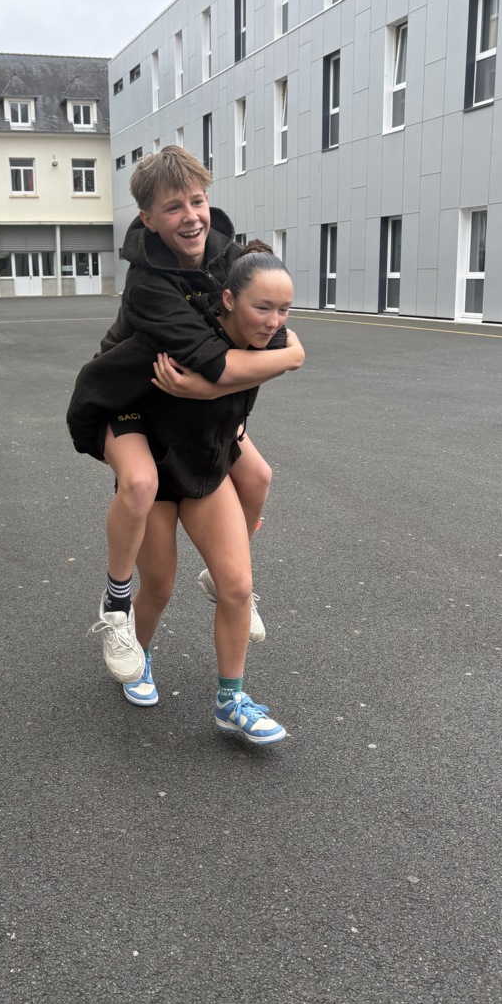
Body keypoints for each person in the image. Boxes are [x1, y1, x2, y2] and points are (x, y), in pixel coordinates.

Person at [67, 147, 304, 686]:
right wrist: (284, 360)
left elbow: (263, 328)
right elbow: (216, 364)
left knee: (258, 476)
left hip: (189, 408)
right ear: (148, 219)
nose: (192, 216)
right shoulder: (148, 284)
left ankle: (224, 582)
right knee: (140, 483)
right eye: (173, 208)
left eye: (197, 201)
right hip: (128, 399)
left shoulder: (230, 258)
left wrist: (288, 352)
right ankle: (117, 603)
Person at [118, 247, 298, 743]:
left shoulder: (271, 340)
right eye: (263, 307)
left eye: (284, 309)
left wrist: (287, 354)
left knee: (236, 586)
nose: (274, 321)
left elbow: (278, 355)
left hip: (206, 470)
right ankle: (137, 654)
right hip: (158, 470)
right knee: (158, 587)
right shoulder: (188, 335)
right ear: (229, 299)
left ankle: (230, 701)